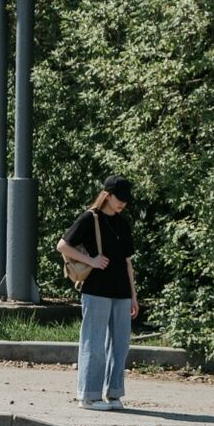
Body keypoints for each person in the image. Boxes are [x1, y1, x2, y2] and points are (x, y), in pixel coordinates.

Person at [56, 175, 138, 410]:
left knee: (120, 344)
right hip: (97, 290)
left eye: (125, 199)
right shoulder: (90, 218)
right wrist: (91, 260)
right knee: (94, 343)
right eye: (119, 198)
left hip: (121, 291)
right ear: (107, 195)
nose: (123, 203)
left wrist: (133, 295)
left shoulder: (123, 223)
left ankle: (114, 394)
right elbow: (62, 245)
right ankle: (88, 397)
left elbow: (128, 263)